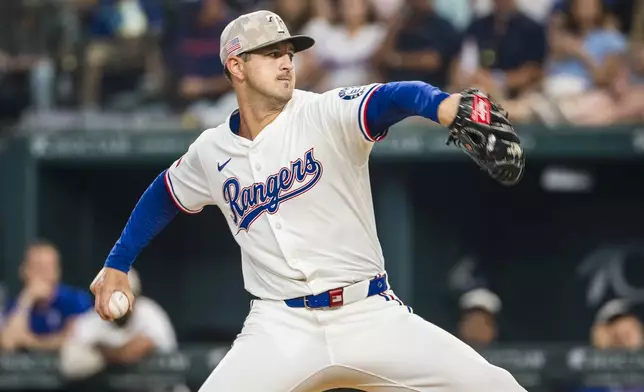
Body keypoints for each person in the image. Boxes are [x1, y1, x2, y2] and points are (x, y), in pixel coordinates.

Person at [90, 9, 524, 391]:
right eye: (272, 53)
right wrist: (117, 263)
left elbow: (394, 96)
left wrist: (444, 105)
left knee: (495, 386)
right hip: (280, 327)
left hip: (368, 314)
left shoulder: (323, 112)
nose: (286, 62)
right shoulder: (211, 150)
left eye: (289, 53)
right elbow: (164, 194)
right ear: (236, 66)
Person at [0, 241, 92, 352]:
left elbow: (76, 341)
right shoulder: (17, 303)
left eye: (49, 268)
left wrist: (30, 341)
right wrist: (27, 298)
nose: (44, 274)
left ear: (58, 272)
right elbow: (8, 342)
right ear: (24, 271)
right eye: (38, 268)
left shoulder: (76, 300)